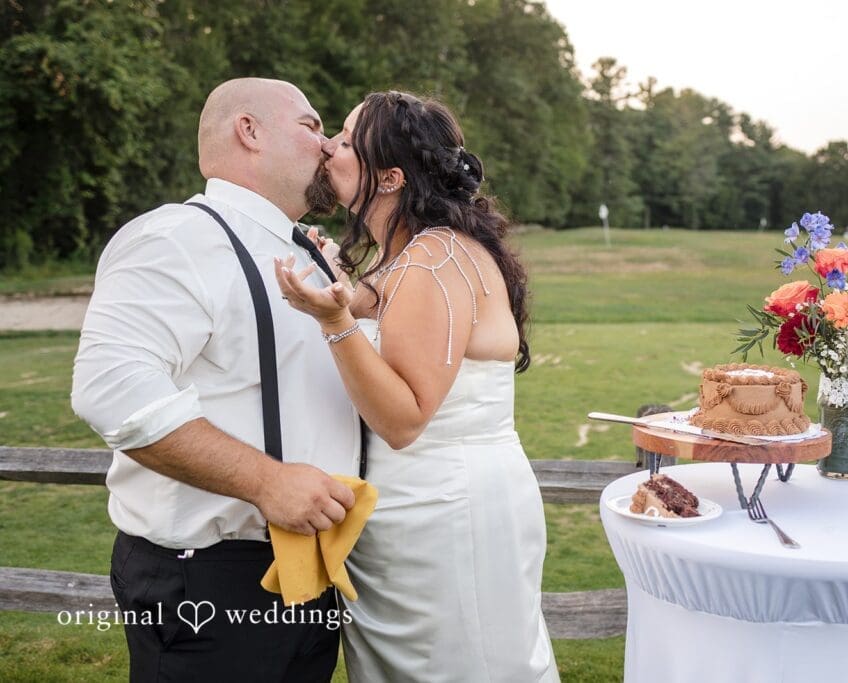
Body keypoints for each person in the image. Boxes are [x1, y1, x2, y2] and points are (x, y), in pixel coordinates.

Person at [71, 78, 360, 682]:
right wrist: (266, 481)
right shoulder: (177, 238)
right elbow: (113, 391)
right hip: (210, 579)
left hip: (311, 572)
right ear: (248, 131)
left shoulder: (304, 252)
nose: (328, 144)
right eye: (310, 125)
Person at [275, 90, 559, 682]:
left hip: (443, 509)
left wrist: (334, 321)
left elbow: (404, 420)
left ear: (390, 177)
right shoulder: (413, 256)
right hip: (416, 506)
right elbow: (382, 313)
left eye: (346, 141)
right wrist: (338, 283)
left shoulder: (432, 262)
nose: (328, 147)